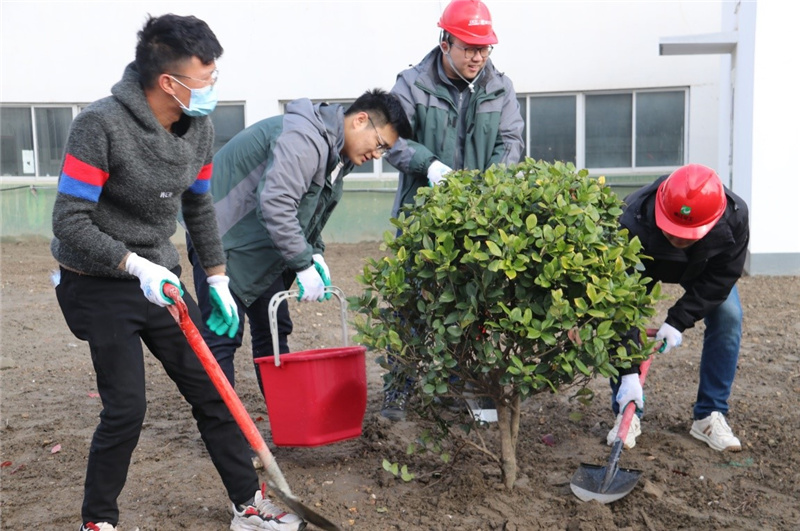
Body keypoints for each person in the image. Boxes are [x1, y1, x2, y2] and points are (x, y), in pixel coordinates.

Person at [50, 14, 304, 531]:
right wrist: (133, 264)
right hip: (98, 280)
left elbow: (199, 206)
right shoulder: (100, 125)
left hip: (161, 282)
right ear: (169, 82)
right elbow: (69, 221)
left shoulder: (199, 129)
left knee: (214, 391)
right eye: (205, 77)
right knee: (126, 408)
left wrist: (217, 277)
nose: (212, 86)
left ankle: (248, 505)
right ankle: (97, 522)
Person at [186, 89, 412, 413]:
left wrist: (315, 251)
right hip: (221, 240)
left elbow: (311, 210)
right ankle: (225, 434)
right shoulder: (304, 139)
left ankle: (287, 419)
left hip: (259, 245)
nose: (378, 155)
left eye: (385, 150)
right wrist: (303, 263)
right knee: (224, 334)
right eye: (379, 144)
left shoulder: (336, 154)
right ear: (360, 120)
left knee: (274, 329)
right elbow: (276, 204)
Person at [380, 0, 525, 421]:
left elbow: (511, 142)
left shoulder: (500, 88)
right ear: (445, 43)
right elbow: (389, 137)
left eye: (484, 48)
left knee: (473, 306)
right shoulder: (412, 85)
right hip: (420, 219)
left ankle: (462, 388)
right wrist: (429, 166)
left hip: (478, 220)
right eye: (469, 48)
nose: (477, 57)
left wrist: (489, 185)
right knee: (410, 304)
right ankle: (398, 391)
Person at [607, 163, 749, 453]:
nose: (678, 239)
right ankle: (626, 410)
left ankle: (709, 414)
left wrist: (677, 320)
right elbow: (618, 303)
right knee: (621, 316)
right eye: (673, 231)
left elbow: (720, 279)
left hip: (702, 265)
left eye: (687, 234)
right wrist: (629, 373)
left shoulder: (735, 217)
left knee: (729, 316)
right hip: (646, 261)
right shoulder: (631, 217)